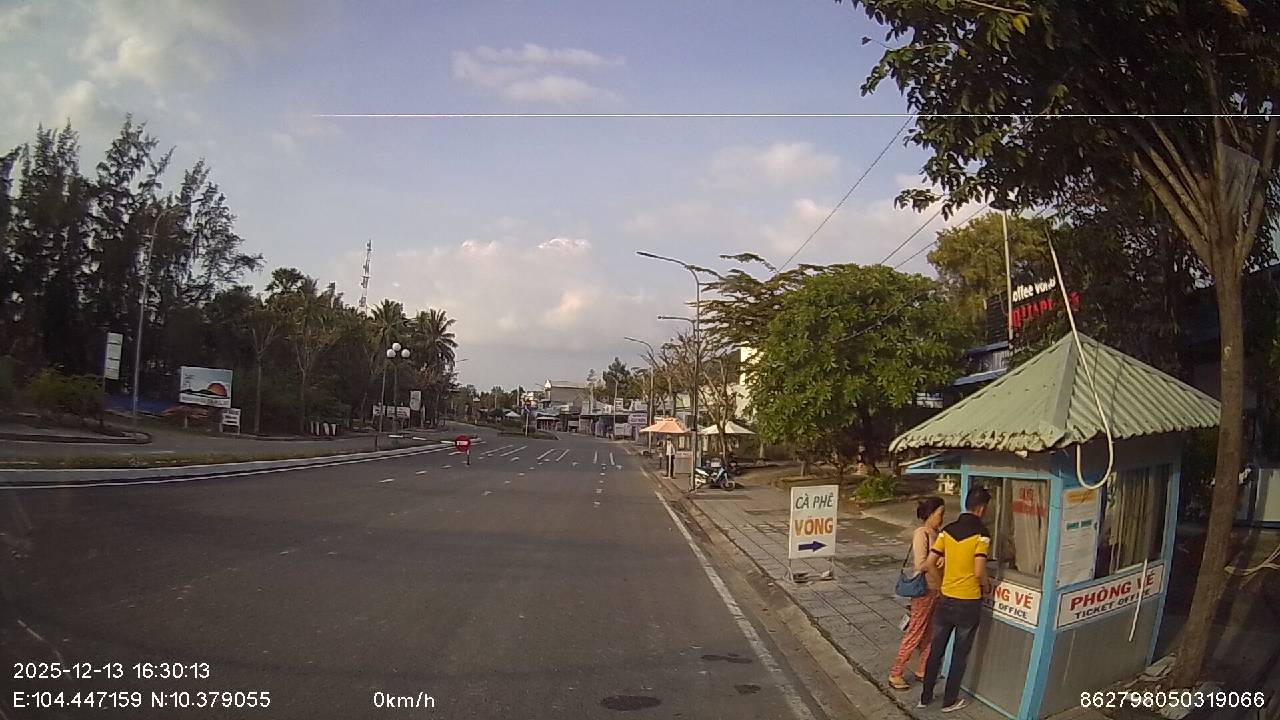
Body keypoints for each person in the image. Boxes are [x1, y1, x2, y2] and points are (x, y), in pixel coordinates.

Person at [919, 486, 992, 714]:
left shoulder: (946, 531)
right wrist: (986, 585)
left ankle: (925, 697)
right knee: (959, 654)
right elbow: (979, 571)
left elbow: (929, 564)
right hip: (968, 601)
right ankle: (949, 700)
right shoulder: (982, 534)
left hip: (946, 599)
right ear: (982, 508)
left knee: (936, 650)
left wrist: (941, 584)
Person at [889, 496, 946, 691]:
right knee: (915, 631)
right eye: (939, 514)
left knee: (930, 633)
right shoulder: (922, 533)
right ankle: (896, 673)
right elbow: (921, 563)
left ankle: (923, 669)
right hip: (925, 589)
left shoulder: (938, 533)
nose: (942, 518)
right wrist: (937, 562)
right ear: (929, 514)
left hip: (936, 589)